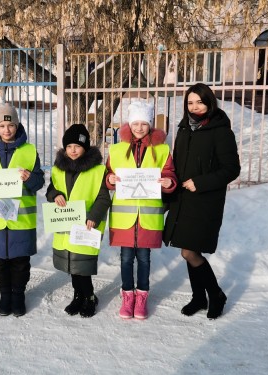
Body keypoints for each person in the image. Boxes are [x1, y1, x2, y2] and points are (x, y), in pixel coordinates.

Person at [163, 83, 241, 319]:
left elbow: (231, 169)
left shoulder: (220, 131)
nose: (194, 107)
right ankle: (199, 297)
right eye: (190, 102)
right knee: (188, 249)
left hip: (205, 201)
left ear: (209, 103)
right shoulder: (185, 129)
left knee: (189, 252)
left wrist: (201, 182)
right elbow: (177, 163)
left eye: (199, 102)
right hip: (183, 200)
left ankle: (215, 294)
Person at [106, 101, 177, 320]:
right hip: (124, 216)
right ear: (129, 124)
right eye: (135, 123)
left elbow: (170, 174)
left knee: (144, 259)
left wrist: (168, 182)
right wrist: (109, 179)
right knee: (126, 258)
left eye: (143, 123)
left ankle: (142, 297)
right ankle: (128, 295)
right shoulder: (116, 149)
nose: (139, 128)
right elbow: (107, 175)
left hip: (148, 215)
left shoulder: (162, 149)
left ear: (150, 125)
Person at [0, 103, 45, 317]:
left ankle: (19, 294)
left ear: (17, 125)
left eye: (11, 125)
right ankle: (5, 294)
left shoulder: (29, 151)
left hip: (20, 219)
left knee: (20, 261)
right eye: (2, 125)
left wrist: (30, 178)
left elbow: (39, 182)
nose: (7, 130)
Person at [46, 124, 111, 318]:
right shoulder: (58, 170)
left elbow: (103, 198)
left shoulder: (97, 171)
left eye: (77, 146)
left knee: (83, 268)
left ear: (86, 147)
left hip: (86, 226)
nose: (73, 150)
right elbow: (51, 189)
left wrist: (94, 217)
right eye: (69, 146)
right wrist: (54, 195)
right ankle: (78, 296)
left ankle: (89, 297)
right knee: (72, 267)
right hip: (66, 226)